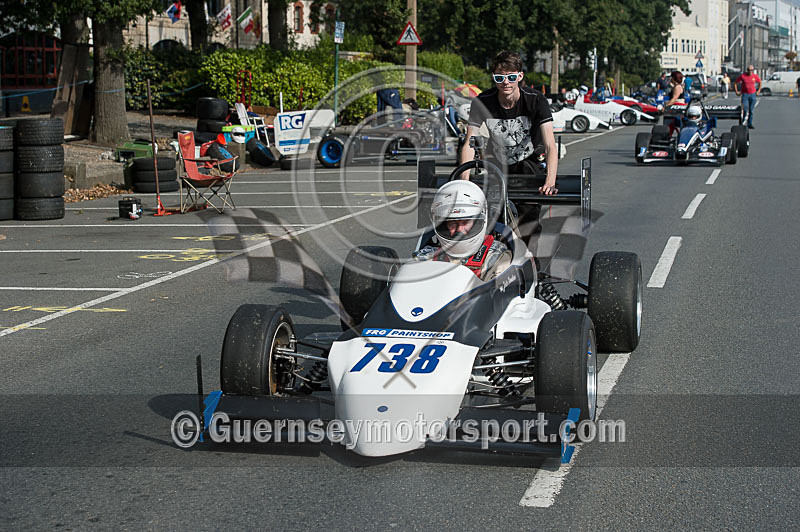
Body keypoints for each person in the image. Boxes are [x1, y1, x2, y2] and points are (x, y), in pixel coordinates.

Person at [459, 51, 558, 196]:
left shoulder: (536, 100)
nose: (506, 82)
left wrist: (550, 182)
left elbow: (550, 144)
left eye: (511, 77)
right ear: (494, 77)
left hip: (529, 163)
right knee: (493, 213)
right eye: (500, 78)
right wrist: (464, 180)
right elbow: (469, 143)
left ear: (520, 76)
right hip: (498, 166)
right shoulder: (482, 102)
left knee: (527, 215)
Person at [413, 180, 512, 281]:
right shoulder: (427, 257)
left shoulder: (496, 257)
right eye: (452, 223)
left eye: (465, 222)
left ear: (478, 221)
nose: (460, 229)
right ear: (443, 224)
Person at [735, 65, 761, 129]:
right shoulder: (743, 76)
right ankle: (742, 122)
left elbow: (760, 82)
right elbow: (736, 82)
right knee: (745, 109)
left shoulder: (755, 76)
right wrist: (737, 91)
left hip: (752, 94)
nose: (750, 71)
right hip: (745, 95)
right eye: (749, 70)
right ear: (747, 70)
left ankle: (749, 124)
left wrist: (758, 91)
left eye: (752, 70)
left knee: (751, 111)